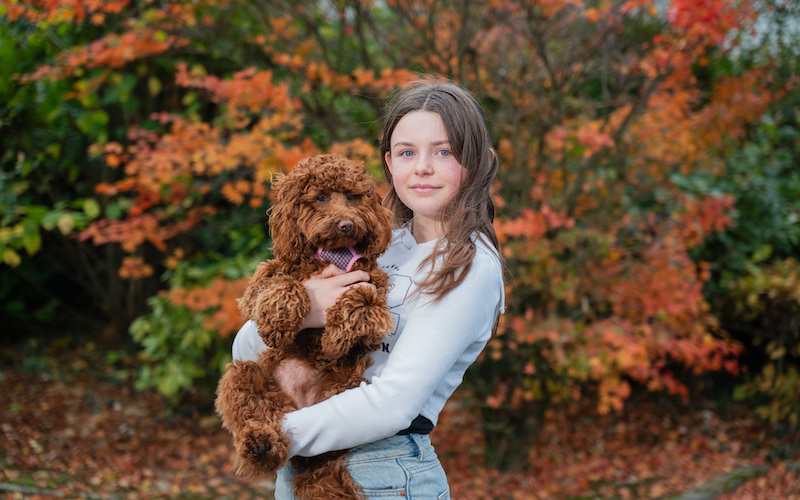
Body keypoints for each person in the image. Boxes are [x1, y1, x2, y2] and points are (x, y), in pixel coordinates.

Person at [230, 78, 505, 499]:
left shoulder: (469, 266)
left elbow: (394, 403)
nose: (423, 167)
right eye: (407, 152)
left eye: (444, 151)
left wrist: (276, 433)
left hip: (382, 473)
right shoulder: (376, 245)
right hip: (302, 467)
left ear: (480, 161)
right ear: (389, 163)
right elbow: (249, 350)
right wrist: (305, 313)